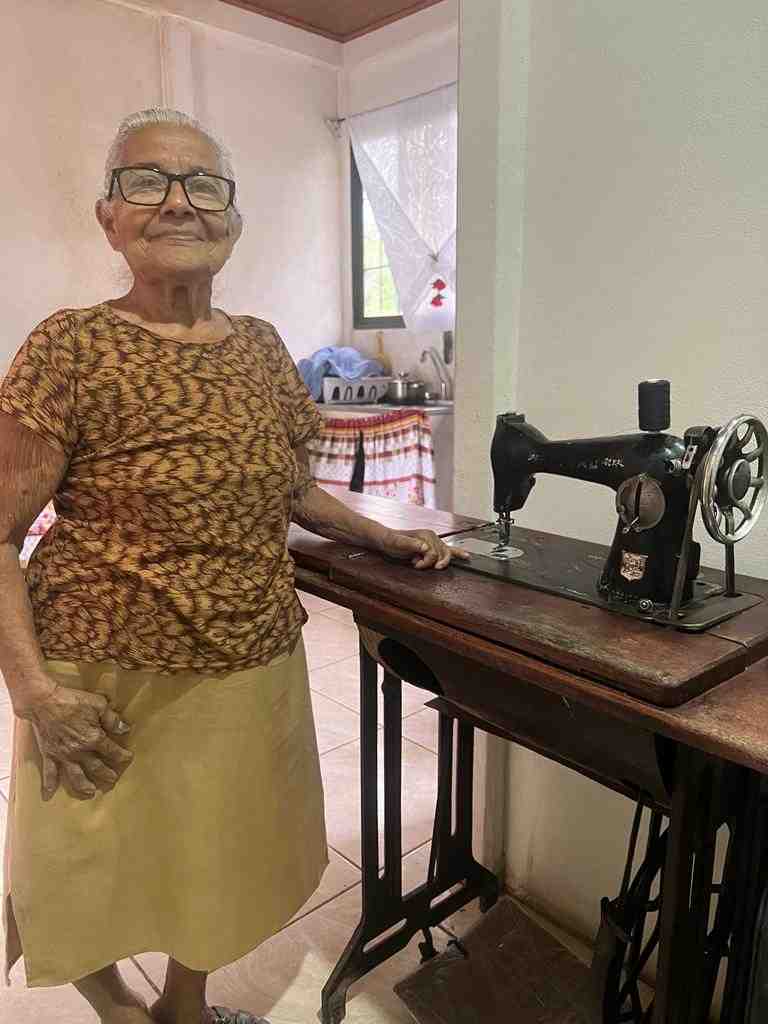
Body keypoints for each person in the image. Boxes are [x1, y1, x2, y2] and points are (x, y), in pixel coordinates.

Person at [0, 109, 468, 1024]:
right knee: (82, 861)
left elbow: (294, 491)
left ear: (233, 221)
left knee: (215, 861)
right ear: (109, 216)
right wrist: (34, 694)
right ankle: (117, 1008)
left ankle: (183, 1007)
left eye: (203, 185)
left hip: (250, 665)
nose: (179, 203)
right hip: (101, 678)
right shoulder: (69, 347)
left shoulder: (260, 350)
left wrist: (381, 535)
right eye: (147, 181)